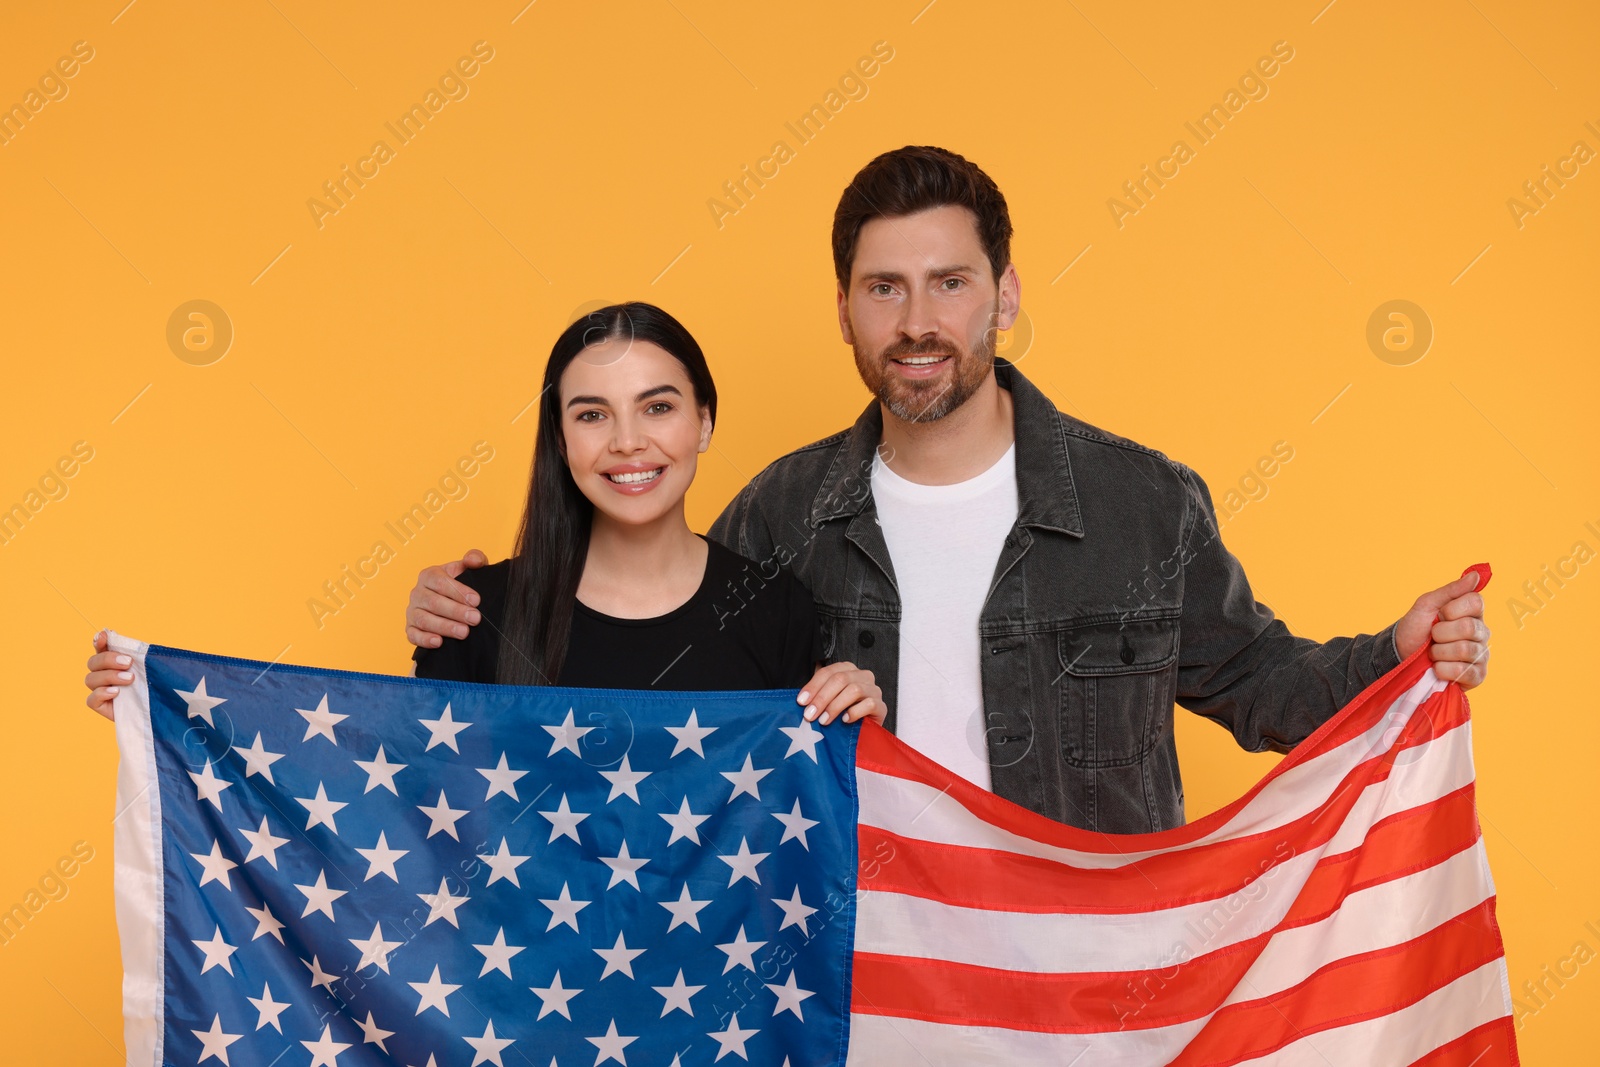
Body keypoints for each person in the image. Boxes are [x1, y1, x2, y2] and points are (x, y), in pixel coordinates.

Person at [410, 147, 1488, 834]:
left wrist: (1388, 656)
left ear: (1003, 297)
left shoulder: (1139, 502)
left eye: (949, 283)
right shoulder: (779, 518)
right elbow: (653, 694)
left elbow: (1257, 680)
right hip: (862, 984)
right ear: (844, 311)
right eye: (884, 288)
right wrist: (484, 605)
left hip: (1084, 989)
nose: (915, 321)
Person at [85, 302, 884, 727]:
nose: (629, 442)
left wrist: (861, 728)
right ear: (559, 438)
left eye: (659, 406)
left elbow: (810, 836)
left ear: (704, 421)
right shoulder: (475, 614)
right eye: (592, 414)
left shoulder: (777, 611)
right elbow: (397, 792)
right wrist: (162, 699)